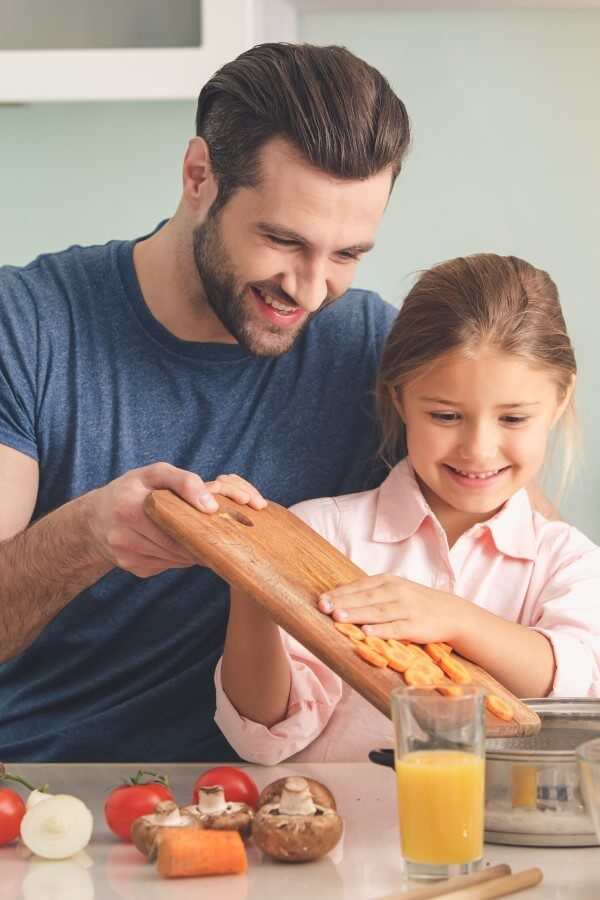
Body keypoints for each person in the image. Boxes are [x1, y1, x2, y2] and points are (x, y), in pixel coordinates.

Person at [0, 43, 411, 761]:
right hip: (49, 793)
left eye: (347, 255)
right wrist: (88, 535)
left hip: (293, 805)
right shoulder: (30, 324)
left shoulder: (373, 348)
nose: (312, 290)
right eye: (284, 240)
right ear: (199, 176)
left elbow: (535, 554)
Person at [215, 253, 600, 764]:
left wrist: (454, 619)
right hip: (340, 835)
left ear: (558, 402)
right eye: (445, 415)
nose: (479, 449)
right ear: (399, 399)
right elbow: (263, 733)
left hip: (495, 841)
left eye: (512, 418)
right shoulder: (320, 534)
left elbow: (578, 682)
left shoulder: (567, 560)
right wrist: (252, 582)